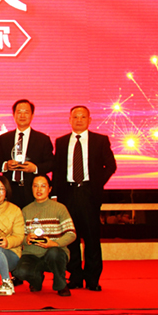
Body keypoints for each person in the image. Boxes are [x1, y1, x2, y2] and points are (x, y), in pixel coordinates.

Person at [53, 105, 117, 292]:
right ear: (70, 120)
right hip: (68, 194)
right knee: (70, 238)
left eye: (83, 117)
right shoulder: (61, 142)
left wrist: (95, 184)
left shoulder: (100, 140)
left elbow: (111, 165)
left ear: (89, 120)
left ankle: (92, 279)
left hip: (89, 194)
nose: (79, 120)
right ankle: (74, 277)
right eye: (75, 117)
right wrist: (55, 194)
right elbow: (58, 170)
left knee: (91, 238)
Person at [14, 175, 76, 296]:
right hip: (32, 254)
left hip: (54, 253)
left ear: (50, 189)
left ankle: (61, 284)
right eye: (35, 186)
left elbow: (71, 233)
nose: (39, 189)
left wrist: (55, 243)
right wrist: (26, 239)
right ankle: (36, 279)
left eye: (43, 186)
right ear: (31, 188)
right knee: (19, 272)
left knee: (54, 253)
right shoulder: (25, 211)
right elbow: (19, 235)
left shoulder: (60, 208)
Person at [0, 99, 54, 208]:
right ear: (14, 115)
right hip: (9, 189)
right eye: (19, 112)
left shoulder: (42, 139)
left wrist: (35, 168)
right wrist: (5, 165)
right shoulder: (3, 139)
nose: (22, 115)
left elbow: (51, 163)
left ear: (32, 115)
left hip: (32, 190)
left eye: (26, 112)